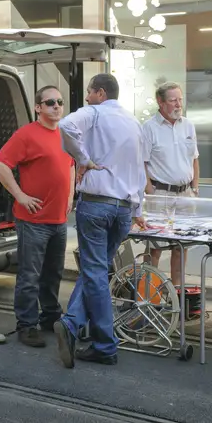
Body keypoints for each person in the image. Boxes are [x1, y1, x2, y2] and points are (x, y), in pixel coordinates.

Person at [53, 73, 147, 368]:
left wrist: (82, 158)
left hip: (96, 205)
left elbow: (65, 125)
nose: (87, 99)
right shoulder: (134, 123)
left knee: (94, 273)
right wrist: (138, 209)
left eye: (89, 93)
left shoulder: (93, 112)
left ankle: (104, 344)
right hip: (123, 209)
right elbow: (140, 170)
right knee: (95, 271)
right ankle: (72, 323)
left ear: (100, 93)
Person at [0, 85, 75, 348]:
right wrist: (20, 196)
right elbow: (0, 164)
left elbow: (71, 165)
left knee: (53, 273)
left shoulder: (64, 134)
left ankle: (50, 316)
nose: (57, 106)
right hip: (33, 221)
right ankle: (26, 325)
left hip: (58, 220)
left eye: (60, 102)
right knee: (30, 275)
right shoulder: (26, 135)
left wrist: (71, 196)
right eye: (50, 102)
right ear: (38, 107)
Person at [142, 81, 199, 288]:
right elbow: (142, 164)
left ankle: (177, 290)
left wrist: (195, 187)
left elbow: (194, 158)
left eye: (180, 99)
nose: (178, 104)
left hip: (185, 194)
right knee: (155, 246)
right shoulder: (149, 128)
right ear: (160, 102)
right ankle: (149, 291)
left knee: (181, 245)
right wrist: (150, 191)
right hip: (160, 193)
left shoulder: (188, 125)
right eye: (173, 100)